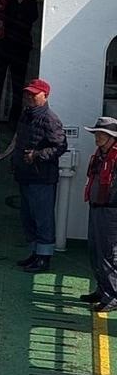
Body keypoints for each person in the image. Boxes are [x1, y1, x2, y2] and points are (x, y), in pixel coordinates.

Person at [11, 78, 66, 274]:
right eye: (28, 94)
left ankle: (44, 257)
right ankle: (35, 253)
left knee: (43, 218)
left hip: (41, 177)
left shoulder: (49, 119)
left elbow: (60, 146)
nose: (30, 97)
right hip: (27, 175)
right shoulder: (27, 115)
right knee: (29, 216)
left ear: (45, 95)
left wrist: (37, 155)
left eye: (34, 94)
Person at [0, 0, 40, 126]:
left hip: (19, 49)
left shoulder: (28, 0)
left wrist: (20, 2)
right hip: (1, 48)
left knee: (18, 86)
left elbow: (31, 18)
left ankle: (14, 120)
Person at [81, 117, 117, 312]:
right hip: (97, 207)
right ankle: (103, 289)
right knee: (95, 250)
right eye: (96, 133)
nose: (97, 136)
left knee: (109, 253)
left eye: (101, 134)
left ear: (111, 137)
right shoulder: (102, 154)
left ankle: (113, 294)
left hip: (111, 211)